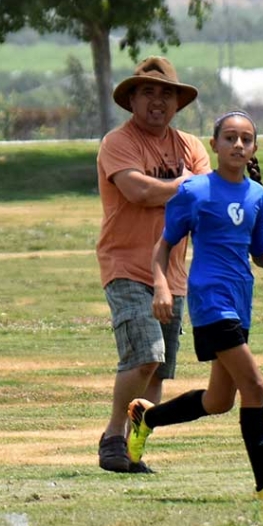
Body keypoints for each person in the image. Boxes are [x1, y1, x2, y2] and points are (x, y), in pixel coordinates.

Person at [126, 110, 263, 501]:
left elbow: (260, 251)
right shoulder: (193, 192)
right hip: (210, 301)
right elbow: (162, 248)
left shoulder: (257, 196)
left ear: (254, 149)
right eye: (229, 138)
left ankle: (149, 417)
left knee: (218, 402)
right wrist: (161, 286)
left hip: (240, 300)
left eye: (246, 139)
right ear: (214, 145)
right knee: (255, 385)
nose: (238, 145)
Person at [95, 56, 212, 474]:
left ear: (178, 103)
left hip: (174, 273)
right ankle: (112, 436)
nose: (158, 101)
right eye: (148, 92)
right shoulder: (118, 143)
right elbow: (137, 191)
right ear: (132, 100)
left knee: (158, 374)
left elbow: (206, 201)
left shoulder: (192, 147)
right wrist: (183, 185)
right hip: (126, 264)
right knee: (145, 355)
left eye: (166, 94)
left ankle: (131, 448)